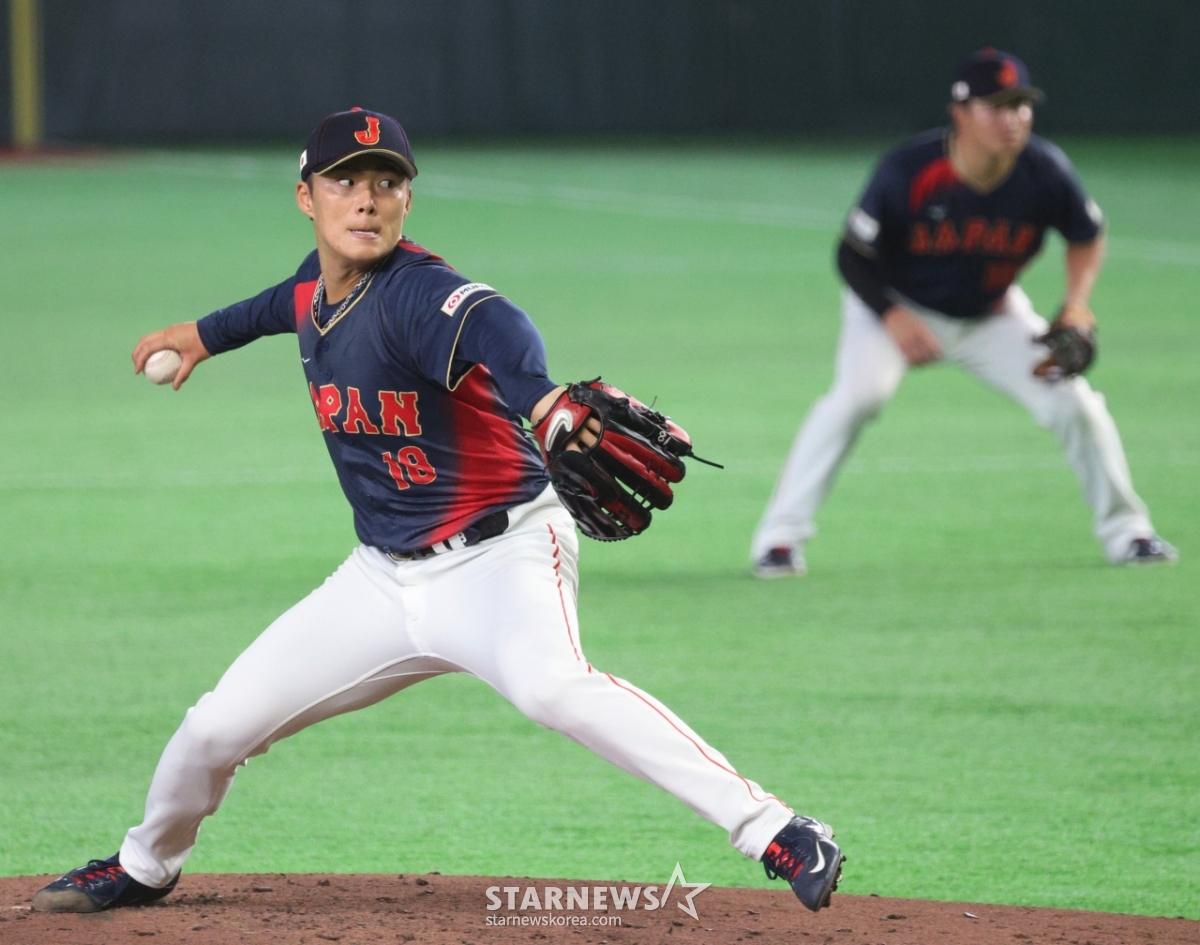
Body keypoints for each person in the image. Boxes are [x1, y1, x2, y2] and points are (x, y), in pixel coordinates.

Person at [33, 109, 843, 914]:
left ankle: (776, 827)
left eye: (387, 182)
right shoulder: (316, 287)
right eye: (345, 181)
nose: (367, 198)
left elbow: (495, 322)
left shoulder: (420, 294)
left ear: (407, 201)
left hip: (502, 558)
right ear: (306, 198)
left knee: (553, 688)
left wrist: (540, 396)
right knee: (214, 728)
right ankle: (146, 863)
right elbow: (277, 305)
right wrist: (203, 335)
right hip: (380, 581)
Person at [751, 49, 1176, 578]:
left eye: (1020, 105)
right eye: (996, 106)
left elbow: (1086, 235)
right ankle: (779, 540)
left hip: (990, 316)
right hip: (892, 307)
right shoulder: (909, 169)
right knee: (857, 398)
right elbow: (851, 256)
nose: (1012, 118)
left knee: (1075, 405)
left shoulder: (1044, 171)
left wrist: (1075, 303)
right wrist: (892, 316)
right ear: (961, 113)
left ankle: (1130, 533)